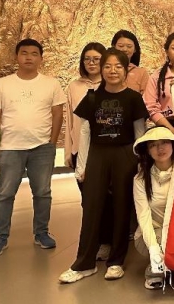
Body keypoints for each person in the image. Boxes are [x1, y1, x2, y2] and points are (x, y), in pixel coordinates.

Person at [58, 49, 149, 282]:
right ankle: (84, 264)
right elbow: (85, 132)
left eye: (118, 66)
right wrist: (82, 165)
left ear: (126, 70)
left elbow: (140, 133)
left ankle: (116, 262)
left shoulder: (133, 98)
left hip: (125, 154)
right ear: (102, 69)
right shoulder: (91, 97)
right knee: (91, 207)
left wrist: (141, 163)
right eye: (107, 66)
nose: (112, 71)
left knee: (121, 207)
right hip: (98, 154)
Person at [0, 39, 65, 257]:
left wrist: (52, 142)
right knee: (5, 193)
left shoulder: (51, 84)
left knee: (42, 192)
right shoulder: (2, 84)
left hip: (42, 146)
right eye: (24, 53)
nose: (29, 57)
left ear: (41, 58)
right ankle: (0, 236)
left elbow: (57, 114)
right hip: (10, 147)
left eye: (34, 53)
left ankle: (41, 233)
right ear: (17, 56)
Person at [64, 42, 113, 261]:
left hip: (103, 151)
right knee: (88, 201)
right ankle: (93, 243)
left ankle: (107, 242)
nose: (91, 63)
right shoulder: (74, 86)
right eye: (87, 59)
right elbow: (70, 119)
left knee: (106, 200)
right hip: (79, 151)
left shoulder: (111, 84)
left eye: (96, 59)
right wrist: (68, 151)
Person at [133, 126, 174, 289]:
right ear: (147, 150)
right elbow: (144, 217)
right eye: (153, 145)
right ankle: (157, 268)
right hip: (152, 235)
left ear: (173, 145)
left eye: (164, 142)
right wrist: (153, 249)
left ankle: (173, 264)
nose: (160, 149)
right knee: (161, 243)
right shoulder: (140, 180)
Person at [112, 30, 150, 94]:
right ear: (113, 47)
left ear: (135, 49)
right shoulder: (106, 69)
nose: (125, 49)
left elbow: (146, 97)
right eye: (121, 46)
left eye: (129, 46)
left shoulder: (141, 73)